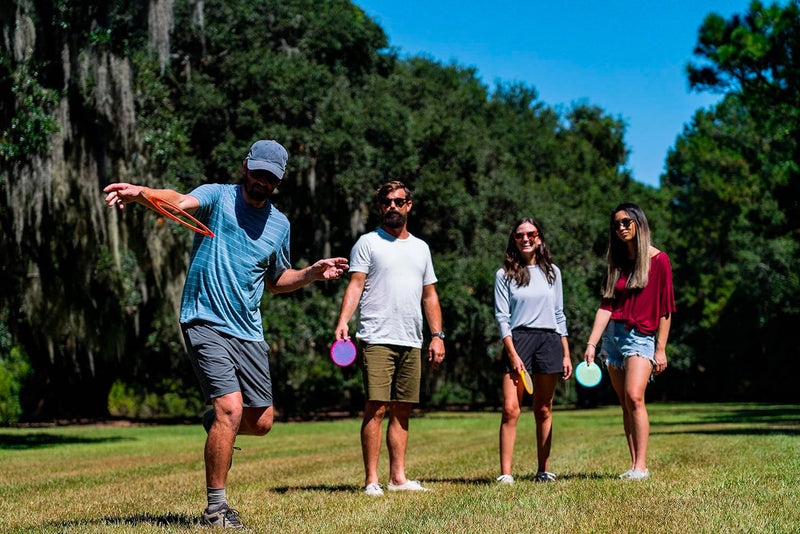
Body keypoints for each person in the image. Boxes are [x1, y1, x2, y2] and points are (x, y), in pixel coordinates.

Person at [103, 140, 349, 529]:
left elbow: (276, 280)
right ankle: (216, 510)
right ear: (245, 167)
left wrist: (311, 274)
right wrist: (143, 194)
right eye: (257, 173)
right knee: (231, 409)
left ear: (278, 181)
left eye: (269, 178)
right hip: (204, 318)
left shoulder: (280, 224)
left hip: (248, 329)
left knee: (262, 422)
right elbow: (179, 202)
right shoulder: (218, 196)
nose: (260, 182)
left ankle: (215, 422)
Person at [334, 181, 446, 496]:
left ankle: (398, 478)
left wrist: (436, 335)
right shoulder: (368, 243)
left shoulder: (421, 248)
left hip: (412, 338)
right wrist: (344, 321)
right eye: (387, 202)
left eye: (399, 201)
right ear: (380, 206)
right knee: (377, 407)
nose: (393, 206)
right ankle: (372, 480)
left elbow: (430, 295)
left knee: (403, 408)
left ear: (409, 205)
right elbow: (355, 285)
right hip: (376, 335)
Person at [584, 202, 675, 481]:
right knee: (625, 402)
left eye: (626, 222)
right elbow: (605, 306)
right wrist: (591, 343)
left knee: (636, 396)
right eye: (616, 224)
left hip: (642, 336)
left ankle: (641, 467)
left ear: (639, 222)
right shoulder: (617, 262)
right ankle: (633, 464)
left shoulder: (660, 260)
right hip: (613, 337)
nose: (621, 227)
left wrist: (661, 349)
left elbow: (666, 308)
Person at [493, 217, 572, 485]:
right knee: (511, 408)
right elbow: (502, 317)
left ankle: (543, 470)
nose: (525, 238)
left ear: (539, 237)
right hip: (519, 340)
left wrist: (566, 353)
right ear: (513, 240)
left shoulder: (553, 273)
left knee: (544, 409)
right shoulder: (504, 275)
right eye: (519, 235)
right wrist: (513, 353)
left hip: (549, 340)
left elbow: (559, 314)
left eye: (531, 233)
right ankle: (506, 474)